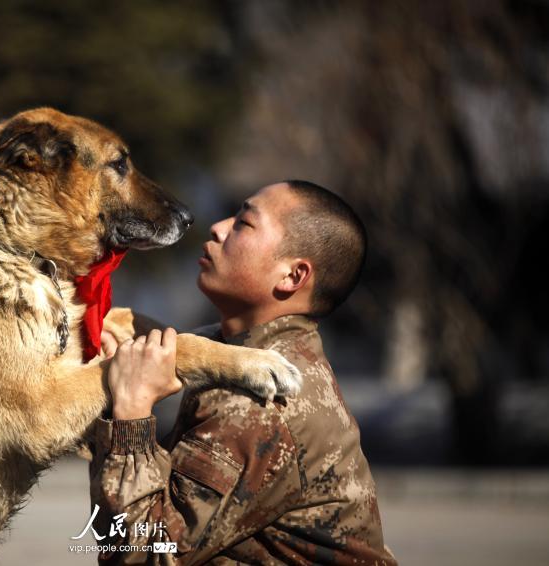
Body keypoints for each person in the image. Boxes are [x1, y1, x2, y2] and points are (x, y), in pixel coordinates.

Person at [88, 180, 398, 565]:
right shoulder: (248, 355)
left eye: (243, 223)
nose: (217, 227)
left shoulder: (258, 398)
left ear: (292, 277)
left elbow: (144, 554)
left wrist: (129, 413)